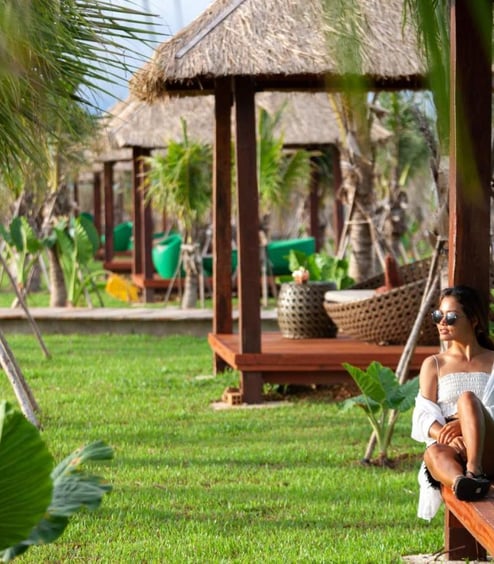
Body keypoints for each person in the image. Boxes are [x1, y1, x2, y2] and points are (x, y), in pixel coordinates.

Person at [411, 285, 494, 520]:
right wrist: (447, 435)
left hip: (490, 446)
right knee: (432, 453)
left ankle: (474, 472)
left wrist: (466, 425)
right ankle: (463, 483)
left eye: (451, 317)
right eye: (438, 316)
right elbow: (423, 414)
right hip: (453, 448)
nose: (442, 323)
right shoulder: (434, 364)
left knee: (467, 399)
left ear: (475, 320)